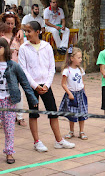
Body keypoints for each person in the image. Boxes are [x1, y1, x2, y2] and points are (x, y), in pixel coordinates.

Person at [18, 21, 75, 152]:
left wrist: (47, 85)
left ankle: (59, 140)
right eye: (25, 31)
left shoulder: (47, 46)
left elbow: (51, 67)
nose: (27, 34)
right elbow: (23, 70)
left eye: (29, 31)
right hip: (31, 86)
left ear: (38, 32)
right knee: (34, 114)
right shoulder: (23, 48)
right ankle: (36, 141)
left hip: (46, 85)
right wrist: (34, 85)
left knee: (53, 112)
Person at [0, 37, 38, 164]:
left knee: (9, 128)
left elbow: (24, 82)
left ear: (5, 49)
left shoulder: (13, 65)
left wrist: (32, 98)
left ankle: (9, 152)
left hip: (9, 100)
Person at [0, 12, 26, 126]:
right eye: (8, 23)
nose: (10, 26)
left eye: (12, 24)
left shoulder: (18, 36)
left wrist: (19, 45)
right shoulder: (1, 36)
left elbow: (24, 49)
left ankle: (19, 116)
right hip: (3, 67)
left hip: (15, 66)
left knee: (18, 91)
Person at [59, 46, 88, 140]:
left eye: (81, 57)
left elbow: (82, 83)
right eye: (78, 58)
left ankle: (81, 131)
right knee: (72, 114)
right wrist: (69, 93)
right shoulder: (67, 71)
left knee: (81, 113)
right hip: (72, 95)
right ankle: (71, 131)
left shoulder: (81, 70)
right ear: (72, 58)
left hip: (80, 94)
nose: (80, 60)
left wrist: (84, 92)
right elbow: (63, 84)